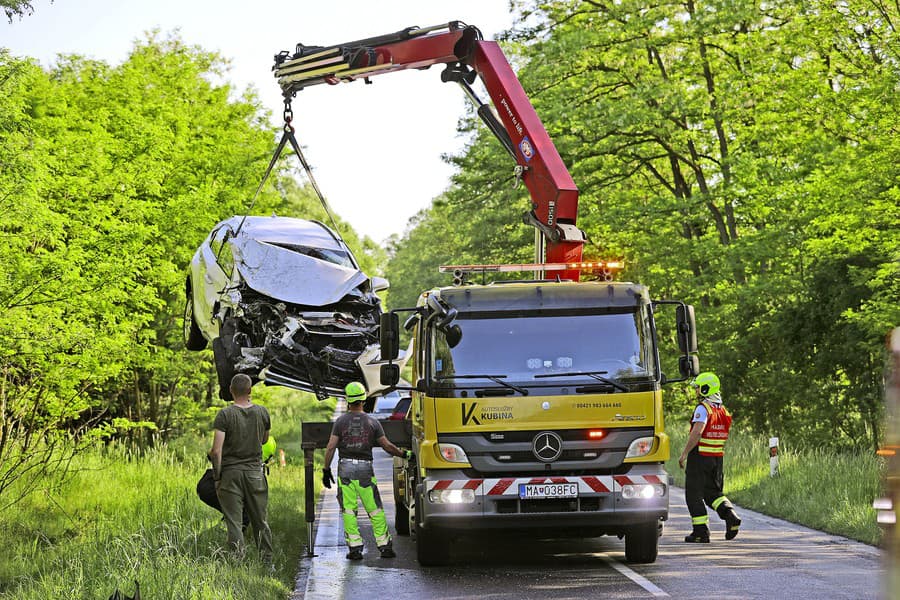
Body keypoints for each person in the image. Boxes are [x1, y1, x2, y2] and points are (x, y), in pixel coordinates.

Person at [322, 381, 411, 560]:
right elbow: (386, 445)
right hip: (365, 469)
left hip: (345, 468)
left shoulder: (340, 422)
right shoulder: (372, 422)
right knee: (375, 509)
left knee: (348, 510)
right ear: (363, 400)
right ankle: (384, 547)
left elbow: (331, 447)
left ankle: (354, 549)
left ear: (347, 400)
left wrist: (326, 469)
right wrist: (404, 453)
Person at [209, 373, 274, 562]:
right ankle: (267, 561)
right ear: (250, 391)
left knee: (234, 523)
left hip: (231, 474)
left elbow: (215, 451)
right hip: (255, 473)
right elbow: (264, 440)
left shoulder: (225, 415)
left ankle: (238, 561)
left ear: (231, 391)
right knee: (260, 521)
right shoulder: (262, 412)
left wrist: (217, 477)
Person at [678, 371, 742, 542]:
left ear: (706, 389)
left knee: (693, 494)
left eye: (698, 388)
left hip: (700, 456)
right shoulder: (722, 410)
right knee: (712, 493)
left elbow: (697, 432)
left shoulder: (703, 408)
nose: (696, 391)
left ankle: (700, 532)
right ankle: (731, 516)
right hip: (716, 458)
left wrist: (684, 454)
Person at [197, 434, 277, 530]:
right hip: (223, 482)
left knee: (239, 510)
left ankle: (224, 530)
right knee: (244, 512)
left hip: (209, 482)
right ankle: (228, 533)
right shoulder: (268, 441)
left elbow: (212, 454)